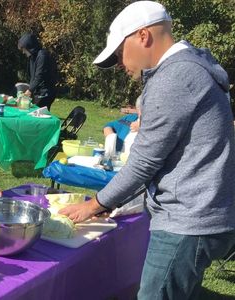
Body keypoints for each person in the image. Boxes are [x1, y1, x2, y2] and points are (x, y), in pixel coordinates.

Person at [59, 2, 235, 299]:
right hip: (205, 210)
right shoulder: (191, 67)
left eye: (118, 54)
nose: (119, 65)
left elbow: (144, 162)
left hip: (187, 218)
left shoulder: (173, 78)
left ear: (143, 36)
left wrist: (95, 205)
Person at [17, 33, 58, 109]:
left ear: (29, 46)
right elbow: (33, 76)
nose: (23, 52)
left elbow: (39, 75)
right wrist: (30, 89)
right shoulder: (33, 57)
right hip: (38, 92)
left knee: (39, 115)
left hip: (46, 92)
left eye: (24, 49)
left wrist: (30, 90)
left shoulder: (42, 56)